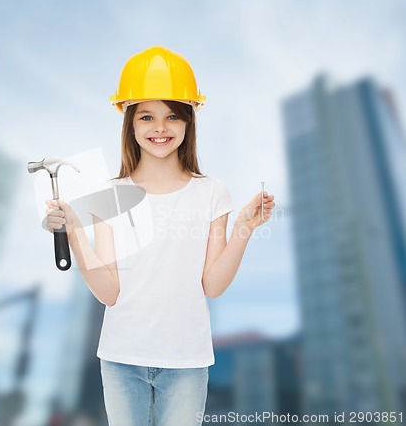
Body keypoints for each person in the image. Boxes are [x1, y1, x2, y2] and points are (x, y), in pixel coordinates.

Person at [45, 46, 275, 426]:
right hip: (121, 359)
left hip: (186, 361)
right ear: (130, 124)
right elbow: (109, 292)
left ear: (188, 121)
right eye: (147, 116)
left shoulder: (212, 192)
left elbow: (212, 285)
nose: (160, 128)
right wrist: (73, 232)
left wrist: (244, 229)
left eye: (172, 116)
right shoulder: (110, 194)